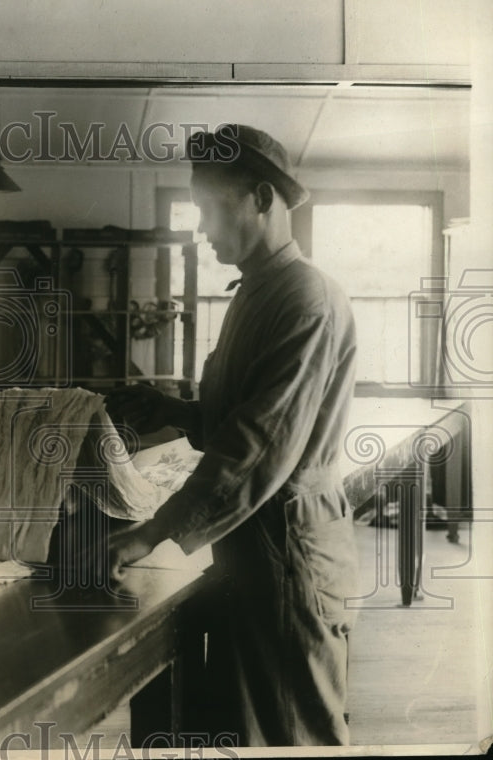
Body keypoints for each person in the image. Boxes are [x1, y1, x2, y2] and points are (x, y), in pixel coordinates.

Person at [107, 124, 359, 746]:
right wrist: (173, 408)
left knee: (292, 731)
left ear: (263, 199)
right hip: (252, 544)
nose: (204, 227)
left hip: (288, 551)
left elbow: (260, 444)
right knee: (244, 724)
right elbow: (238, 414)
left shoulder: (305, 298)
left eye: (213, 208)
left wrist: (154, 531)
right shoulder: (259, 292)